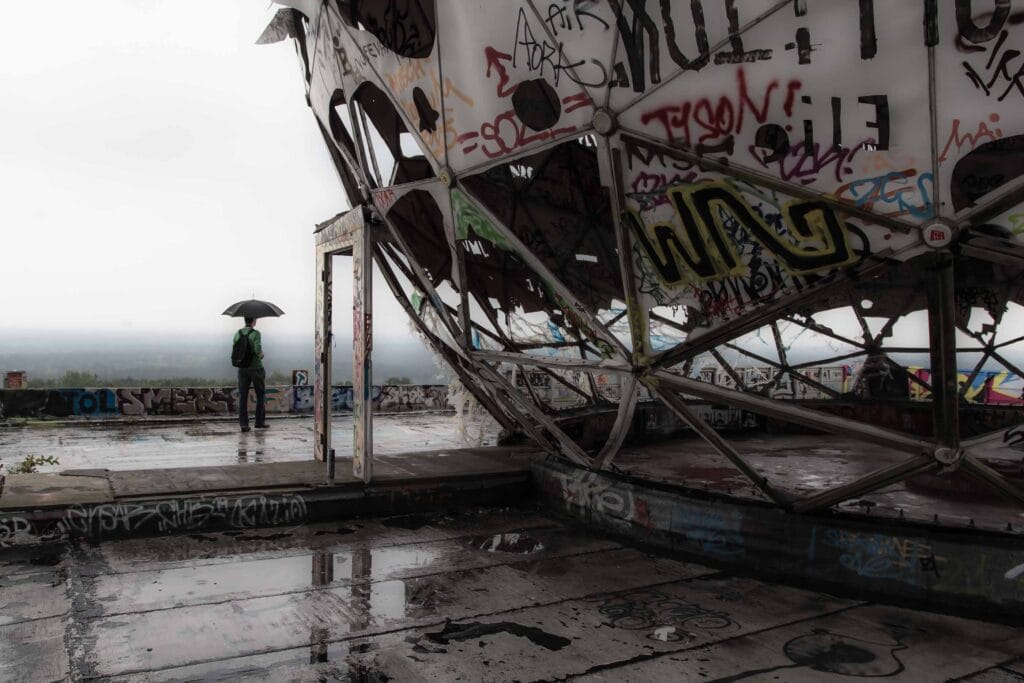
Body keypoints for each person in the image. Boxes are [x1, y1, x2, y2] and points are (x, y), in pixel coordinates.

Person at [235, 317, 268, 432]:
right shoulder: (256, 333)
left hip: (242, 368)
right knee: (260, 395)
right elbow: (257, 348)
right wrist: (261, 354)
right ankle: (259, 422)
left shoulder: (237, 333)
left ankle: (244, 424)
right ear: (253, 321)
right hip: (256, 368)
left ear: (245, 320)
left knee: (243, 396)